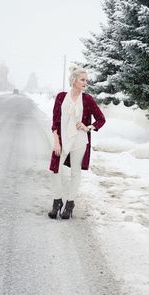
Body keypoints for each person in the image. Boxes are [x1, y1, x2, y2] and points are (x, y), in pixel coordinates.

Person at [48, 65, 106, 219]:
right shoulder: (61, 97)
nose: (85, 82)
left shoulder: (87, 99)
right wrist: (56, 142)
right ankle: (57, 201)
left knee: (75, 172)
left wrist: (88, 127)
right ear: (74, 80)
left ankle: (70, 204)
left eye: (86, 80)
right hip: (63, 140)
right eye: (82, 79)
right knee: (55, 170)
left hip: (79, 141)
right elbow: (55, 122)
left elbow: (101, 119)